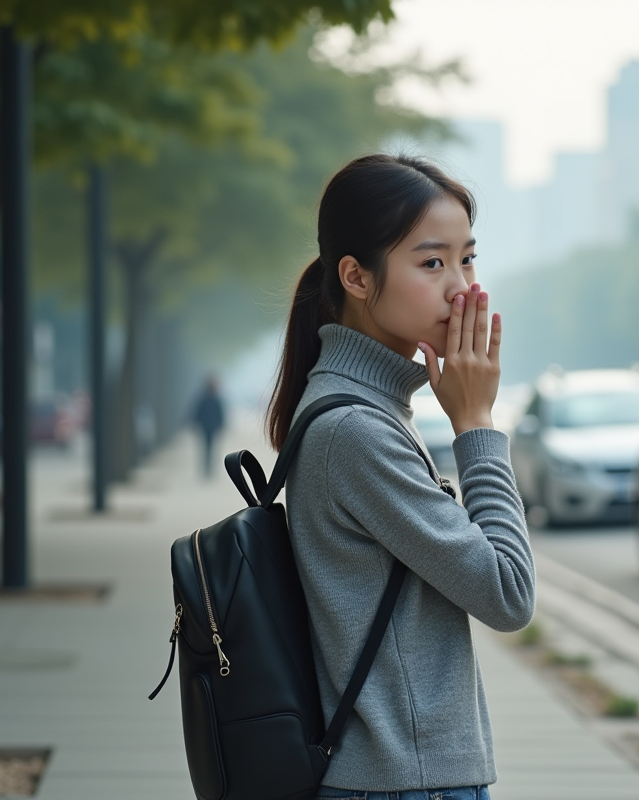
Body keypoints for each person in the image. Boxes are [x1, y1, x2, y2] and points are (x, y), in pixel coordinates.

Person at [267, 154, 535, 799]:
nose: (461, 288)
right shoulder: (355, 430)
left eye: (468, 258)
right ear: (357, 277)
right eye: (432, 262)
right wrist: (475, 424)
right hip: (407, 784)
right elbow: (508, 593)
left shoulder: (363, 408)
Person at [191, 376, 226, 478]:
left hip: (210, 427)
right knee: (207, 448)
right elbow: (198, 413)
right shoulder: (209, 400)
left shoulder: (209, 400)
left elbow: (220, 415)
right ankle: (207, 468)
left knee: (209, 448)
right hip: (207, 427)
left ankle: (208, 468)